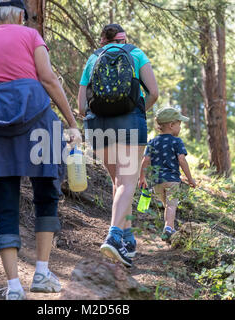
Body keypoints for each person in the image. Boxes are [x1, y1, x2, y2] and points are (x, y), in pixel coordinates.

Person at [0, 0, 80, 300]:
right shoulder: (30, 36)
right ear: (19, 15)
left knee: (5, 205)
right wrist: (71, 122)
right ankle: (41, 272)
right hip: (39, 119)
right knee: (46, 193)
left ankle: (14, 287)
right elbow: (48, 78)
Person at [77, 24, 159, 267]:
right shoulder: (135, 54)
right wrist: (138, 112)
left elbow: (82, 107)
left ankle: (126, 237)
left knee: (119, 182)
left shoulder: (93, 58)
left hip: (97, 124)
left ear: (102, 40)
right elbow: (153, 92)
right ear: (123, 39)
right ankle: (114, 235)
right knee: (127, 181)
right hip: (130, 121)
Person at [138, 107, 196, 243]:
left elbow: (145, 160)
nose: (180, 128)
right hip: (172, 180)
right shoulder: (177, 142)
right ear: (171, 125)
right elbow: (182, 160)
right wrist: (190, 178)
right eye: (179, 124)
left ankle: (168, 227)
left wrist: (142, 178)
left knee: (167, 205)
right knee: (171, 205)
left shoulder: (153, 142)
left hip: (157, 182)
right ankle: (169, 228)